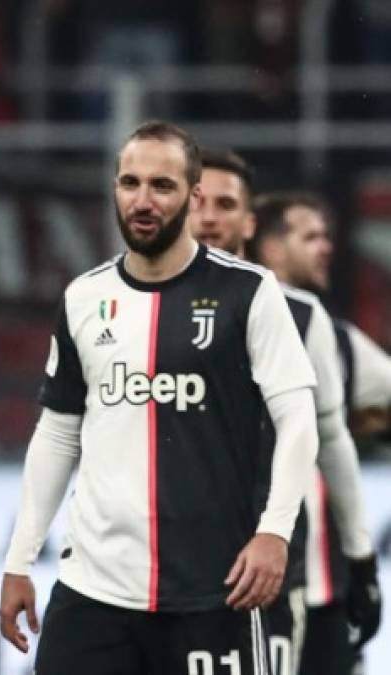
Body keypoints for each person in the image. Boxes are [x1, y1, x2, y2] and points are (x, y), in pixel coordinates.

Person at [0, 121, 319, 674]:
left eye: (162, 186)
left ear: (192, 198)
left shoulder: (247, 292)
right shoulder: (85, 296)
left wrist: (273, 530)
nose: (143, 200)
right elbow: (56, 433)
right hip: (92, 591)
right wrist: (19, 559)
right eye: (130, 183)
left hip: (214, 589)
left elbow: (297, 417)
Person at [190, 150, 379, 675]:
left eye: (225, 204)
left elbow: (333, 436)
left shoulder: (305, 319)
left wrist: (359, 557)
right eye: (199, 201)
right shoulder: (130, 307)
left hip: (286, 572)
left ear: (249, 222)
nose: (209, 218)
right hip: (167, 572)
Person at [249, 192, 383, 675]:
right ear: (270, 247)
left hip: (325, 584)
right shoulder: (215, 327)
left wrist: (362, 423)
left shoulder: (335, 338)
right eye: (310, 236)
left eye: (327, 235)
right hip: (242, 581)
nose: (326, 247)